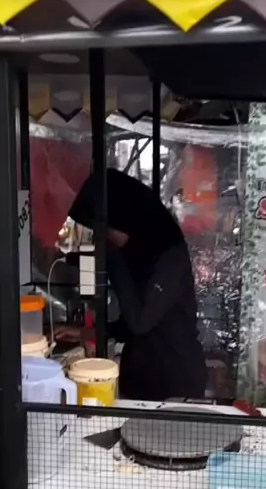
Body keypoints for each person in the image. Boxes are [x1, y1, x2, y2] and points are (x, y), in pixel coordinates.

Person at [58, 169, 207, 401]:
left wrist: (112, 258)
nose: (105, 238)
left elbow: (140, 322)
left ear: (124, 219)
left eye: (105, 231)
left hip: (174, 385)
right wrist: (90, 331)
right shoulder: (139, 252)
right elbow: (130, 322)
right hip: (141, 381)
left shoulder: (168, 256)